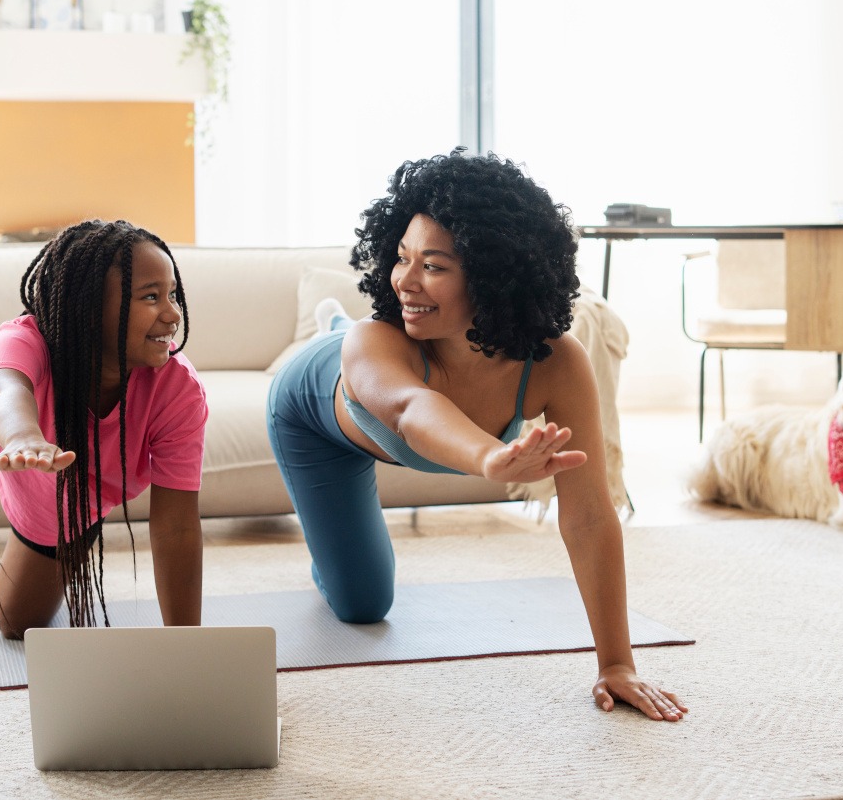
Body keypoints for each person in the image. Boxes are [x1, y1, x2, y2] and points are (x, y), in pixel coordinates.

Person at [267, 150, 687, 721]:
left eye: (433, 266)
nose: (405, 281)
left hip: (401, 402)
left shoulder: (556, 361)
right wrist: (491, 458)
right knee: (362, 605)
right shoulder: (380, 338)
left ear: (492, 275)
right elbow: (415, 409)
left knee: (366, 604)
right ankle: (332, 329)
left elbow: (588, 515)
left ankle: (331, 324)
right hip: (312, 412)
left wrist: (617, 663)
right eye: (401, 258)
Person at [0, 220, 208, 639]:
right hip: (18, 443)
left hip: (84, 476)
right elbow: (5, 387)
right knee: (13, 623)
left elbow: (177, 527)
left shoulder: (178, 390)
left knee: (20, 620)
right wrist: (23, 437)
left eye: (172, 295)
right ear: (89, 308)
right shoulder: (27, 340)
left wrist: (187, 646)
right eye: (151, 297)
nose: (172, 313)